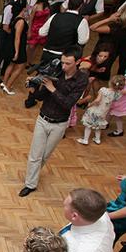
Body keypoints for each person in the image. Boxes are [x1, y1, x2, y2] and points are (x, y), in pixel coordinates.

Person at [19, 46, 88, 197]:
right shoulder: (56, 71)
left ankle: (32, 177)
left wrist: (52, 88)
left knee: (44, 156)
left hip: (60, 123)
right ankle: (30, 184)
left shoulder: (82, 79)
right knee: (35, 155)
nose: (63, 66)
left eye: (68, 63)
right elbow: (41, 97)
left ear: (78, 62)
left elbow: (68, 103)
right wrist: (33, 88)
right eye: (62, 62)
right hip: (42, 119)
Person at [36, 0, 90, 68]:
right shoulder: (81, 21)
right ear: (81, 5)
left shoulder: (55, 16)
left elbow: (41, 32)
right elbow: (82, 41)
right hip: (64, 58)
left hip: (47, 54)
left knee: (42, 73)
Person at [0, 0, 30, 82]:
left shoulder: (23, 5)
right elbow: (5, 26)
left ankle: (4, 72)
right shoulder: (9, 7)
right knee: (0, 55)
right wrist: (14, 34)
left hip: (12, 33)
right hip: (4, 33)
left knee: (9, 55)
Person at [77, 75, 126, 145]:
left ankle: (85, 139)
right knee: (98, 126)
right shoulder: (117, 94)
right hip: (103, 112)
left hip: (95, 110)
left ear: (110, 82)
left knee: (88, 125)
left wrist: (90, 104)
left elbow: (97, 100)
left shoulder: (103, 90)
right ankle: (97, 139)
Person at [1, 1, 29, 95]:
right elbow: (17, 37)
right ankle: (8, 86)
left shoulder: (15, 18)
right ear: (23, 9)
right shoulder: (21, 21)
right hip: (18, 47)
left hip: (12, 45)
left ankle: (4, 83)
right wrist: (17, 52)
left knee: (11, 64)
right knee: (20, 66)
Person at [27, 0, 51, 66]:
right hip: (34, 28)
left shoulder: (47, 6)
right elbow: (31, 19)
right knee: (31, 46)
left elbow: (48, 18)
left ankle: (33, 61)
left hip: (43, 28)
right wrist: (29, 31)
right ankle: (27, 61)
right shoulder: (36, 6)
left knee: (39, 46)